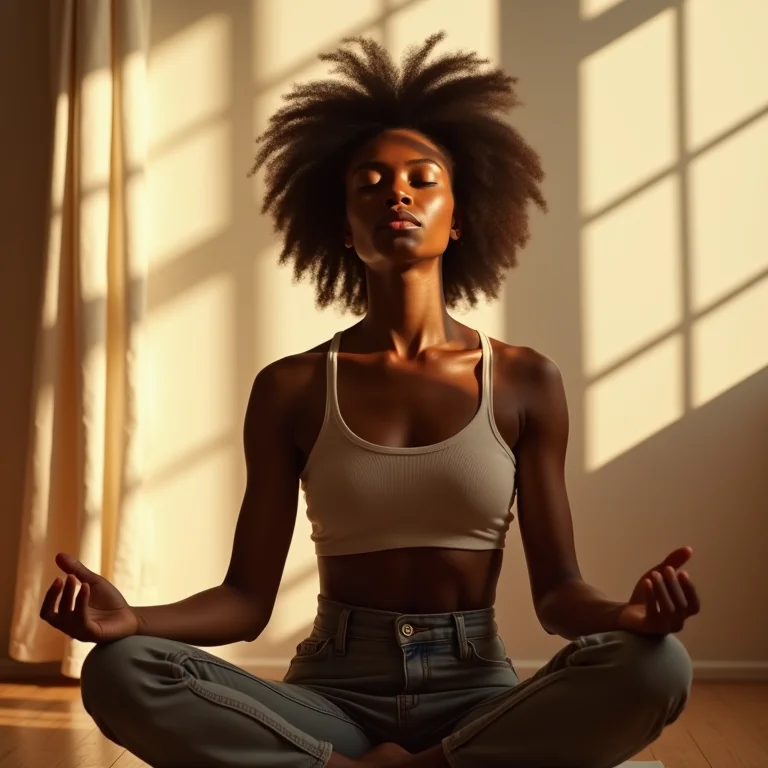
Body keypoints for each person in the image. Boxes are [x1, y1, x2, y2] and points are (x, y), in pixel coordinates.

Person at [39, 33, 699, 768]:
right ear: (345, 229)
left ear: (460, 218)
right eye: (371, 183)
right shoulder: (291, 386)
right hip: (332, 695)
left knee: (658, 665)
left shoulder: (525, 381)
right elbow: (245, 599)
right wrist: (132, 619)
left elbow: (559, 595)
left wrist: (628, 616)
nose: (398, 194)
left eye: (423, 180)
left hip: (475, 692)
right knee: (122, 671)